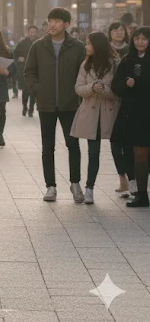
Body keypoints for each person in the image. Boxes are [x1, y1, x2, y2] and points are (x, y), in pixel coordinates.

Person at [24, 8, 86, 203]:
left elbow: (84, 73)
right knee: (47, 147)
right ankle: (50, 187)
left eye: (57, 21)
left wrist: (79, 95)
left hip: (70, 105)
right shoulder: (38, 46)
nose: (52, 24)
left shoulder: (77, 47)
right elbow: (29, 72)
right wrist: (37, 89)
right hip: (46, 104)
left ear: (66, 24)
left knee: (73, 144)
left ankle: (75, 183)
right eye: (50, 20)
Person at [69, 31, 119, 205]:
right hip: (90, 113)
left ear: (97, 45)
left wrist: (103, 89)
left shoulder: (114, 65)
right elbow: (78, 88)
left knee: (118, 149)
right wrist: (92, 87)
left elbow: (117, 92)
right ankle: (90, 189)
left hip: (108, 112)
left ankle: (129, 181)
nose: (86, 46)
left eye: (89, 43)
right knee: (94, 152)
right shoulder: (85, 65)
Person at [112, 26, 150, 208]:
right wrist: (126, 83)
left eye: (144, 38)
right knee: (139, 154)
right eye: (137, 38)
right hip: (133, 115)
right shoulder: (127, 60)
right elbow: (115, 85)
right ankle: (141, 194)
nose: (140, 42)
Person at [106, 21, 134, 196]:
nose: (118, 32)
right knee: (114, 140)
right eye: (114, 30)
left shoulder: (132, 51)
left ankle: (133, 178)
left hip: (129, 101)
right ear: (109, 33)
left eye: (121, 30)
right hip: (111, 101)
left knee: (129, 141)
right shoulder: (104, 51)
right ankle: (122, 177)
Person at [14, 25, 39, 117]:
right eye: (31, 32)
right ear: (28, 33)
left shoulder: (40, 43)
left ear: (37, 33)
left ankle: (31, 109)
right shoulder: (22, 43)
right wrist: (19, 59)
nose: (32, 34)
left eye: (34, 32)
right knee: (25, 91)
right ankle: (24, 106)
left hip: (36, 71)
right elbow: (15, 54)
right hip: (25, 71)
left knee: (33, 91)